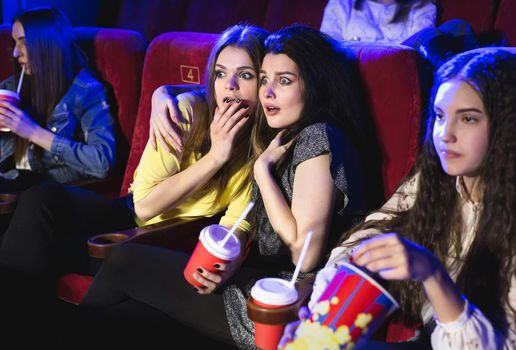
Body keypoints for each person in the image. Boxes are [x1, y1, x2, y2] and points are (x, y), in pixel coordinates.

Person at [71, 24, 379, 349]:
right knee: (124, 317)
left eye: (284, 81)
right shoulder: (280, 137)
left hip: (276, 302)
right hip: (253, 282)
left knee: (126, 261)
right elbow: (221, 93)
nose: (268, 92)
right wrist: (165, 92)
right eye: (264, 80)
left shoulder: (317, 138)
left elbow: (305, 251)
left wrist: (262, 173)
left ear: (315, 86)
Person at [0, 23, 267, 349]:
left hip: (158, 241)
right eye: (222, 73)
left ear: (264, 83)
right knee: (41, 197)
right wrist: (213, 156)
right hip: (127, 215)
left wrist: (218, 159)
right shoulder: (186, 111)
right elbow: (140, 204)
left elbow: (236, 227)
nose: (231, 86)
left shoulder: (260, 154)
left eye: (246, 75)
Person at [279, 49, 516, 349]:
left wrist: (433, 275)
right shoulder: (435, 180)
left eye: (469, 119)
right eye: (439, 116)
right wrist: (324, 322)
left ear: (507, 128)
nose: (446, 134)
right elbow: (366, 239)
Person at [0, 6, 116, 192]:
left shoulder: (86, 92)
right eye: (14, 43)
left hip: (50, 194)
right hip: (11, 187)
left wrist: (33, 132)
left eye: (24, 42)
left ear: (48, 45)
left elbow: (102, 162)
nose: (15, 53)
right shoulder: (10, 88)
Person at [320, 0, 485, 71]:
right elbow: (325, 50)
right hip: (351, 75)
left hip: (401, 75)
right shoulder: (341, 4)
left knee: (456, 28)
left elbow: (418, 54)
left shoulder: (420, 6)